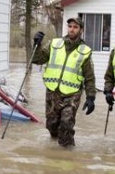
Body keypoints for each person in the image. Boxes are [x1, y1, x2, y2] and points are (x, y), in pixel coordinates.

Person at [31, 17, 96, 147]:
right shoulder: (54, 44)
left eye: (75, 27)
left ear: (81, 30)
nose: (72, 29)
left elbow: (89, 77)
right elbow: (37, 59)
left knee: (66, 124)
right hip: (53, 91)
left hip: (72, 94)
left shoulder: (85, 51)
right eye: (70, 26)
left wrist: (91, 97)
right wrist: (36, 45)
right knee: (52, 125)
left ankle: (67, 157)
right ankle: (53, 155)